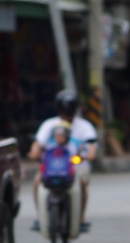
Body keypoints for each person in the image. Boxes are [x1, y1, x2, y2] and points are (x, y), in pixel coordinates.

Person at [29, 90, 98, 232]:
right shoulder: (49, 125)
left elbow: (91, 146)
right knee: (37, 181)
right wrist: (35, 153)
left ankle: (81, 218)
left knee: (82, 183)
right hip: (52, 166)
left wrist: (89, 154)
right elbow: (37, 144)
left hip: (76, 166)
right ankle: (39, 216)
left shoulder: (85, 127)